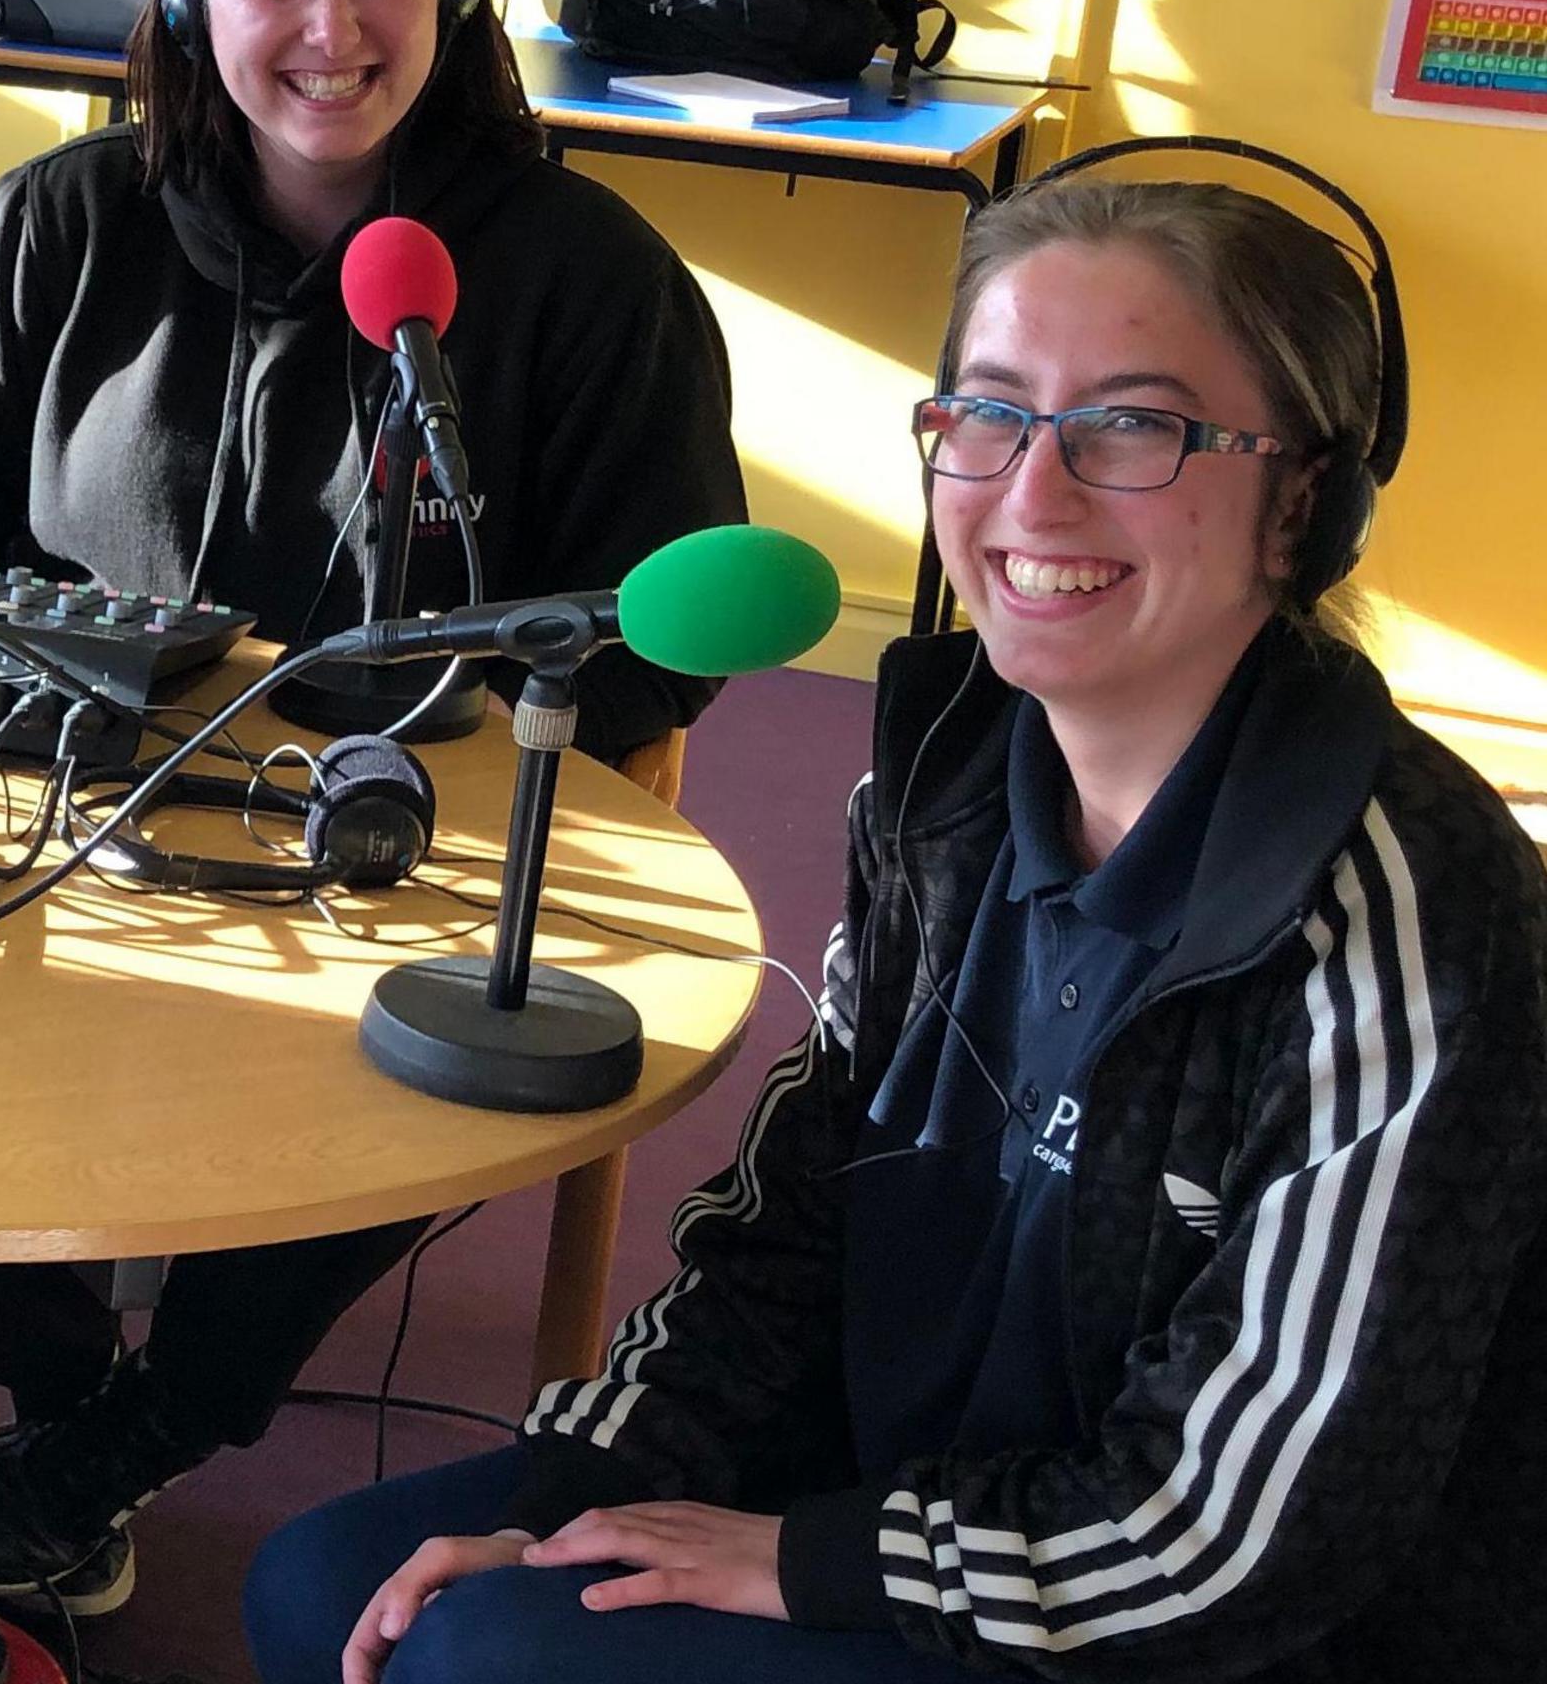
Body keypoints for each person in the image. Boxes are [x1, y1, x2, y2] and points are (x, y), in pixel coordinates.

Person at [245, 174, 1547, 1683]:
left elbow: (1241, 1538)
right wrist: (580, 1489)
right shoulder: (947, 783)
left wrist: (817, 1560)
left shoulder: (1407, 911)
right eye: (988, 413)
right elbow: (795, 1222)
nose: (1031, 496)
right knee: (320, 1586)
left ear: (1306, 503)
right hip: (930, 1487)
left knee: (490, 1664)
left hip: (1186, 1625)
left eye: (1134, 424)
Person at [0, 0, 751, 1615]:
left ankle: (142, 1429)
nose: (331, 32)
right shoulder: (52, 224)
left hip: (413, 840)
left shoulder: (591, 281)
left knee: (440, 1057)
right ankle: (55, 1384)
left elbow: (658, 638)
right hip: (73, 811)